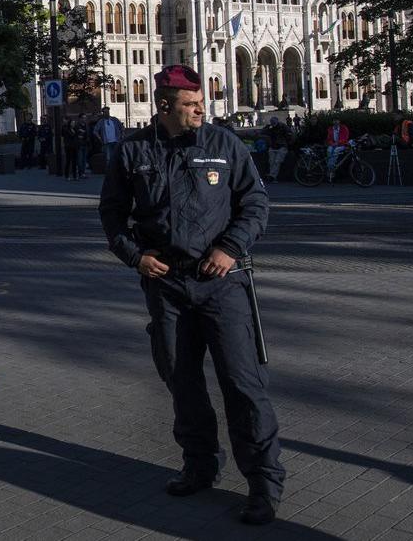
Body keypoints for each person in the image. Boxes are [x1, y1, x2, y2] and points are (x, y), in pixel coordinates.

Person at [99, 64, 284, 526]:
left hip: (223, 283)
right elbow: (111, 212)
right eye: (191, 105)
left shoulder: (224, 145)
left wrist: (230, 247)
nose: (202, 110)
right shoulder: (133, 151)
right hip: (166, 285)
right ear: (165, 107)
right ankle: (200, 465)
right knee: (181, 380)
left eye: (202, 102)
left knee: (243, 384)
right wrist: (135, 256)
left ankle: (263, 484)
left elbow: (255, 203)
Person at [263, 117, 293, 182]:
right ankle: (272, 176)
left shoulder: (283, 126)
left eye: (274, 123)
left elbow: (289, 135)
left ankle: (272, 176)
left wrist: (288, 143)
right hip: (273, 146)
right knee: (271, 162)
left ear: (277, 122)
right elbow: (263, 132)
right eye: (272, 123)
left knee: (277, 161)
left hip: (282, 146)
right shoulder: (270, 127)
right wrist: (267, 127)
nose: (273, 124)